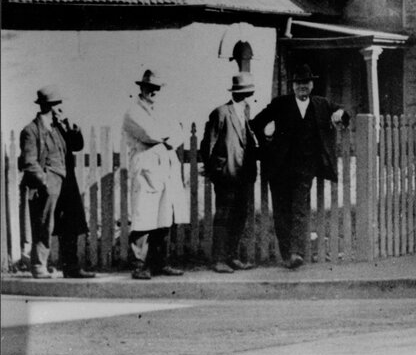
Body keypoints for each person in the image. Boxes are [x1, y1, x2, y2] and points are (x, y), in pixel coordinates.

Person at [250, 65, 350, 269]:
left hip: (305, 169)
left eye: (306, 82)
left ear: (312, 85)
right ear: (292, 86)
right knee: (281, 212)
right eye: (298, 83)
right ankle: (287, 254)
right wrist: (267, 139)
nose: (302, 86)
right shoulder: (280, 104)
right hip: (279, 168)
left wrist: (340, 113)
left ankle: (296, 253)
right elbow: (255, 124)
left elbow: (342, 112)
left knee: (299, 209)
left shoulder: (321, 104)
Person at [18, 86, 96, 279]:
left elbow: (77, 146)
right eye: (57, 104)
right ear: (48, 106)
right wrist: (44, 181)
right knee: (44, 225)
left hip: (66, 182)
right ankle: (39, 266)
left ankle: (71, 268)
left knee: (70, 225)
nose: (61, 108)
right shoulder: (31, 130)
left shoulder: (60, 127)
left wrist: (72, 128)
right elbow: (29, 162)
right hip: (47, 184)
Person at [121, 70, 189, 279]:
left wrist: (168, 135)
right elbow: (149, 134)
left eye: (157, 89)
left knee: (164, 216)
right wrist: (167, 134)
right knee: (144, 217)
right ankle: (140, 265)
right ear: (142, 88)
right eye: (150, 88)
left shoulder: (164, 110)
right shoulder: (133, 112)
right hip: (146, 168)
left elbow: (179, 132)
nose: (154, 92)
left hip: (165, 168)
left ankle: (160, 262)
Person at [200, 72, 259, 273]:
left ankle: (231, 257)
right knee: (224, 217)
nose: (244, 95)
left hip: (244, 175)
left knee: (239, 216)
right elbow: (208, 144)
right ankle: (218, 260)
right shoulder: (221, 112)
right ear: (234, 92)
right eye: (241, 91)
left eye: (247, 92)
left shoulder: (246, 111)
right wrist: (215, 170)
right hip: (226, 175)